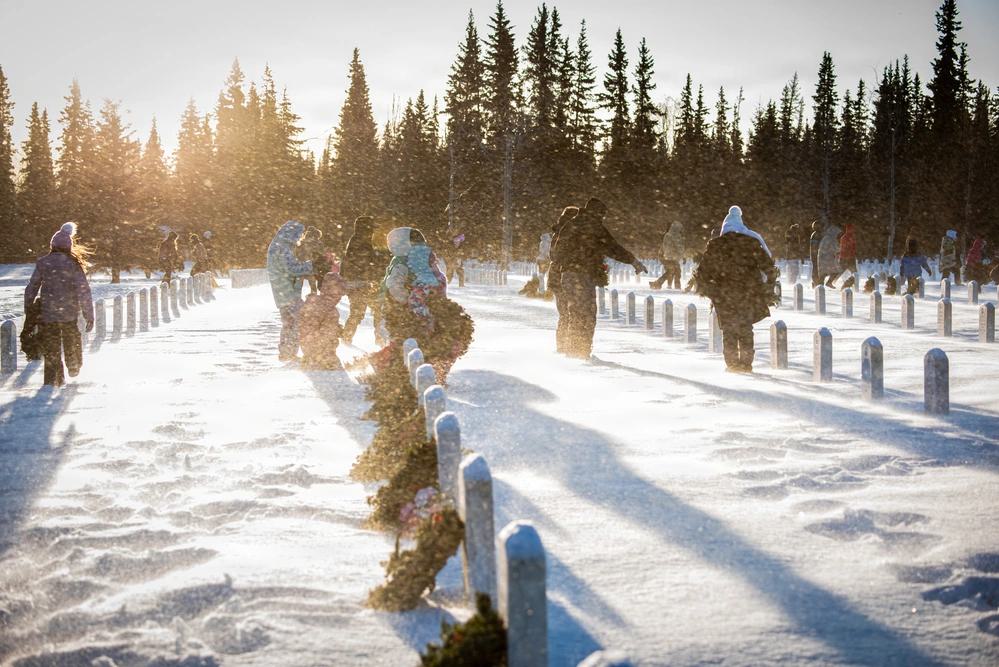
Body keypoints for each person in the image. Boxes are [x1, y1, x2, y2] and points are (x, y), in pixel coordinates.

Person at [550, 197, 646, 359]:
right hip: (582, 275)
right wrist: (633, 261)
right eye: (601, 215)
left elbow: (557, 252)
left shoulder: (571, 224)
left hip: (569, 275)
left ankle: (575, 350)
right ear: (596, 213)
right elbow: (612, 247)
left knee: (576, 313)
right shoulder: (593, 226)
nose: (602, 218)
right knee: (586, 314)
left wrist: (567, 264)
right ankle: (581, 351)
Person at [693, 206, 777, 373]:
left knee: (729, 328)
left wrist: (711, 290)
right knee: (745, 327)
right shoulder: (751, 243)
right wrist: (766, 286)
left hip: (724, 294)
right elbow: (769, 267)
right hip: (748, 292)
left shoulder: (715, 245)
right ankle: (746, 364)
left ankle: (732, 364)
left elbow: (702, 272)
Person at [24, 222, 95, 386]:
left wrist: (29, 308)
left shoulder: (43, 262)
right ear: (68, 246)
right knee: (72, 340)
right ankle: (73, 365)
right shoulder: (73, 264)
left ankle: (52, 381)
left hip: (48, 313)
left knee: (51, 348)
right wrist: (88, 315)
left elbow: (32, 286)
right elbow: (83, 290)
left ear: (52, 246)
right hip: (69, 312)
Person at [266, 220, 314, 361]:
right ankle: (290, 353)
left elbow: (288, 268)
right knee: (297, 322)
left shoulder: (276, 246)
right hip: (288, 292)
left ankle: (286, 352)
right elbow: (292, 269)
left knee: (288, 323)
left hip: (282, 293)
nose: (299, 238)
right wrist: (311, 265)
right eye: (298, 235)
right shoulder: (283, 249)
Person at [340, 216, 387, 345]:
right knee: (364, 312)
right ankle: (347, 339)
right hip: (360, 285)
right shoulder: (360, 243)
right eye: (371, 229)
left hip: (361, 284)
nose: (372, 232)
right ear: (365, 229)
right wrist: (376, 273)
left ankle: (378, 339)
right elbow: (366, 264)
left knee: (369, 311)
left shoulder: (359, 241)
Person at [299, 272, 347, 370]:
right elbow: (314, 331)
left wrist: (337, 329)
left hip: (311, 350)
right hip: (317, 353)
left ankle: (317, 357)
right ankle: (319, 359)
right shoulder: (328, 309)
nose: (340, 296)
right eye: (339, 293)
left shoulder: (317, 302)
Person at [548, 206, 579, 353]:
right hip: (560, 277)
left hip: (558, 277)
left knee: (566, 314)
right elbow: (555, 256)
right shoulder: (563, 234)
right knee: (567, 314)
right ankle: (565, 346)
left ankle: (566, 345)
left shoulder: (560, 232)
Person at [650, 221, 684, 290]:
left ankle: (658, 284)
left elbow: (678, 247)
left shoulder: (671, 235)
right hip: (668, 257)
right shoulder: (671, 235)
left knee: (672, 271)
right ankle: (676, 286)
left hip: (668, 256)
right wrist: (672, 256)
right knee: (674, 271)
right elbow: (672, 247)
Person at [298, 226, 325, 295]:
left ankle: (297, 296)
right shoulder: (318, 243)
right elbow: (321, 254)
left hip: (302, 263)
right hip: (312, 264)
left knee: (300, 281)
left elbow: (298, 252)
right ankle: (313, 294)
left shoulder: (302, 241)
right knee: (312, 280)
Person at [816, 221, 842, 288]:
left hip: (823, 258)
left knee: (823, 273)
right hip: (828, 259)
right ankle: (828, 283)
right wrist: (841, 248)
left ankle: (820, 286)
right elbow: (835, 248)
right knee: (836, 271)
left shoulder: (825, 237)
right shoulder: (832, 239)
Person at [808, 221, 822, 287]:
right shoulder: (816, 234)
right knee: (816, 269)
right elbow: (816, 246)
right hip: (816, 255)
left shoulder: (815, 234)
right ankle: (816, 282)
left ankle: (816, 282)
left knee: (816, 269)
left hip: (815, 254)